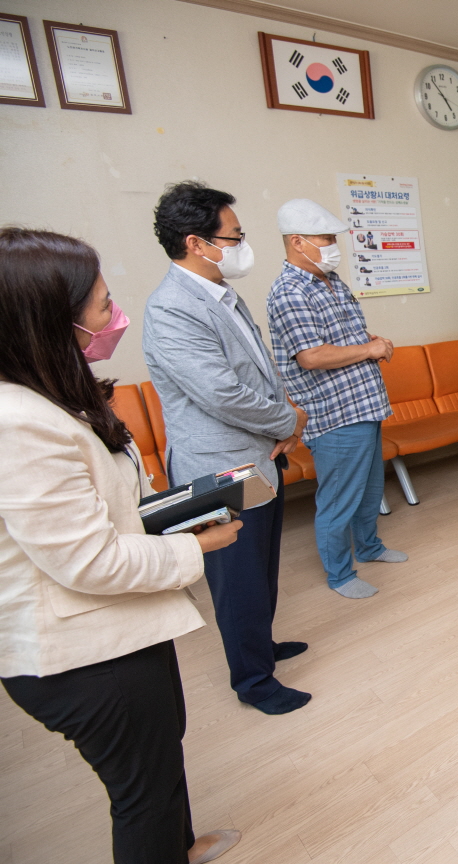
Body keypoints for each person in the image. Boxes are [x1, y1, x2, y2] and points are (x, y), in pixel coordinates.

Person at [0, 228, 242, 864]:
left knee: (162, 754)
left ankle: (181, 845)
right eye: (104, 305)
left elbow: (104, 508)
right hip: (81, 653)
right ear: (51, 322)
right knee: (143, 794)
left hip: (122, 624)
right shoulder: (17, 422)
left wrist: (178, 514)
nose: (114, 315)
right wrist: (200, 547)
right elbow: (89, 561)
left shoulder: (52, 391)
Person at [143, 181, 312, 716]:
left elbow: (256, 371)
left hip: (259, 458)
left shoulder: (221, 293)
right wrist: (288, 419)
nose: (243, 244)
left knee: (261, 568)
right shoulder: (171, 308)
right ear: (197, 243)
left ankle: (261, 646)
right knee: (237, 579)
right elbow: (221, 393)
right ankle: (254, 682)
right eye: (234, 236)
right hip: (219, 469)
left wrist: (283, 414)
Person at [266, 199, 406, 600]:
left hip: (365, 404)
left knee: (369, 490)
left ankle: (370, 547)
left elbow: (341, 338)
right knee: (339, 500)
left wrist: (370, 341)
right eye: (326, 238)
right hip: (334, 414)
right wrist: (369, 350)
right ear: (297, 242)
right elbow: (311, 356)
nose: (333, 245)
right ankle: (340, 575)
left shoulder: (331, 281)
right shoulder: (290, 292)